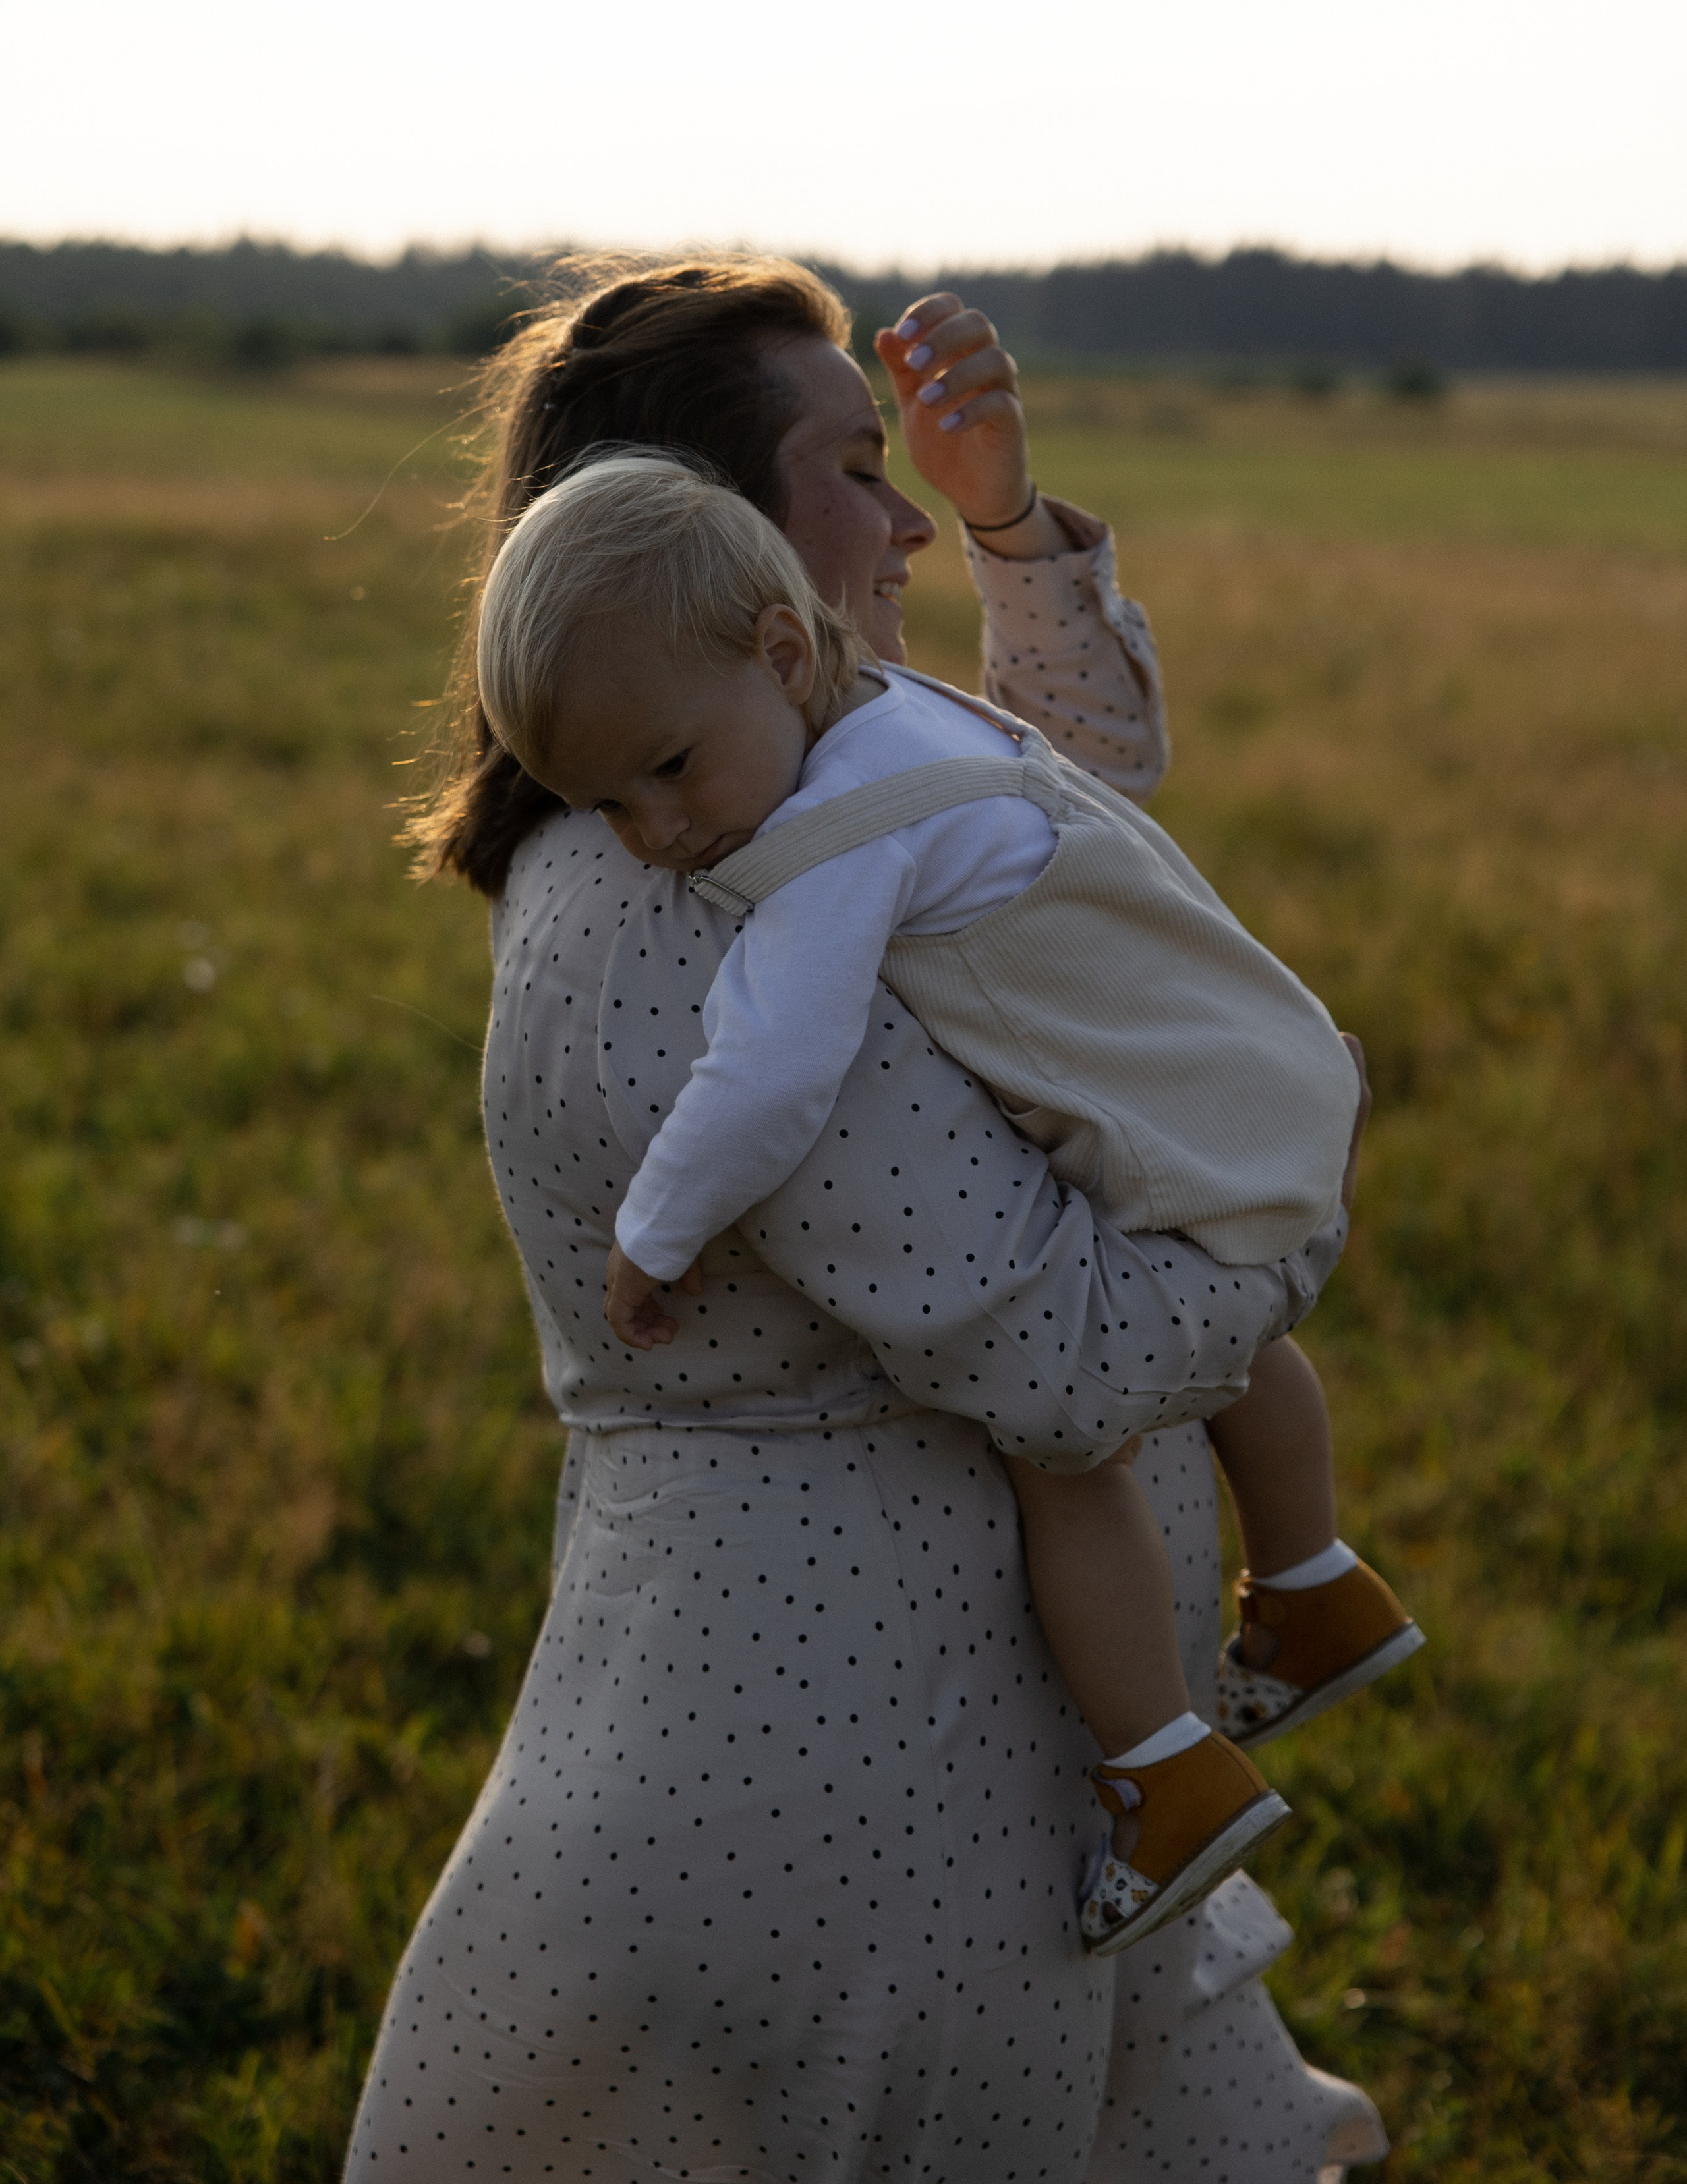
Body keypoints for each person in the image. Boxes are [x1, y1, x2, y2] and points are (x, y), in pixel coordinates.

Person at [345, 258, 1388, 2177]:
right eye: (860, 467)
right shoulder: (690, 888)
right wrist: (1274, 1255)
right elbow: (1069, 1367)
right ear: (718, 538)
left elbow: (1054, 795)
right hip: (832, 1799)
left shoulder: (785, 766)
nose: (906, 515)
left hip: (974, 1769)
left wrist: (1009, 517)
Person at [472, 451, 1423, 1959]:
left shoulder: (826, 853)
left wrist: (654, 1235)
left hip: (1166, 1142)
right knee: (1237, 1330)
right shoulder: (905, 717)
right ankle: (1313, 1582)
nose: (651, 834)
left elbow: (768, 1076)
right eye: (605, 802)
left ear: (781, 655)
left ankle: (1162, 1769)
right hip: (1265, 1101)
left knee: (1065, 1447)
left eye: (666, 770)